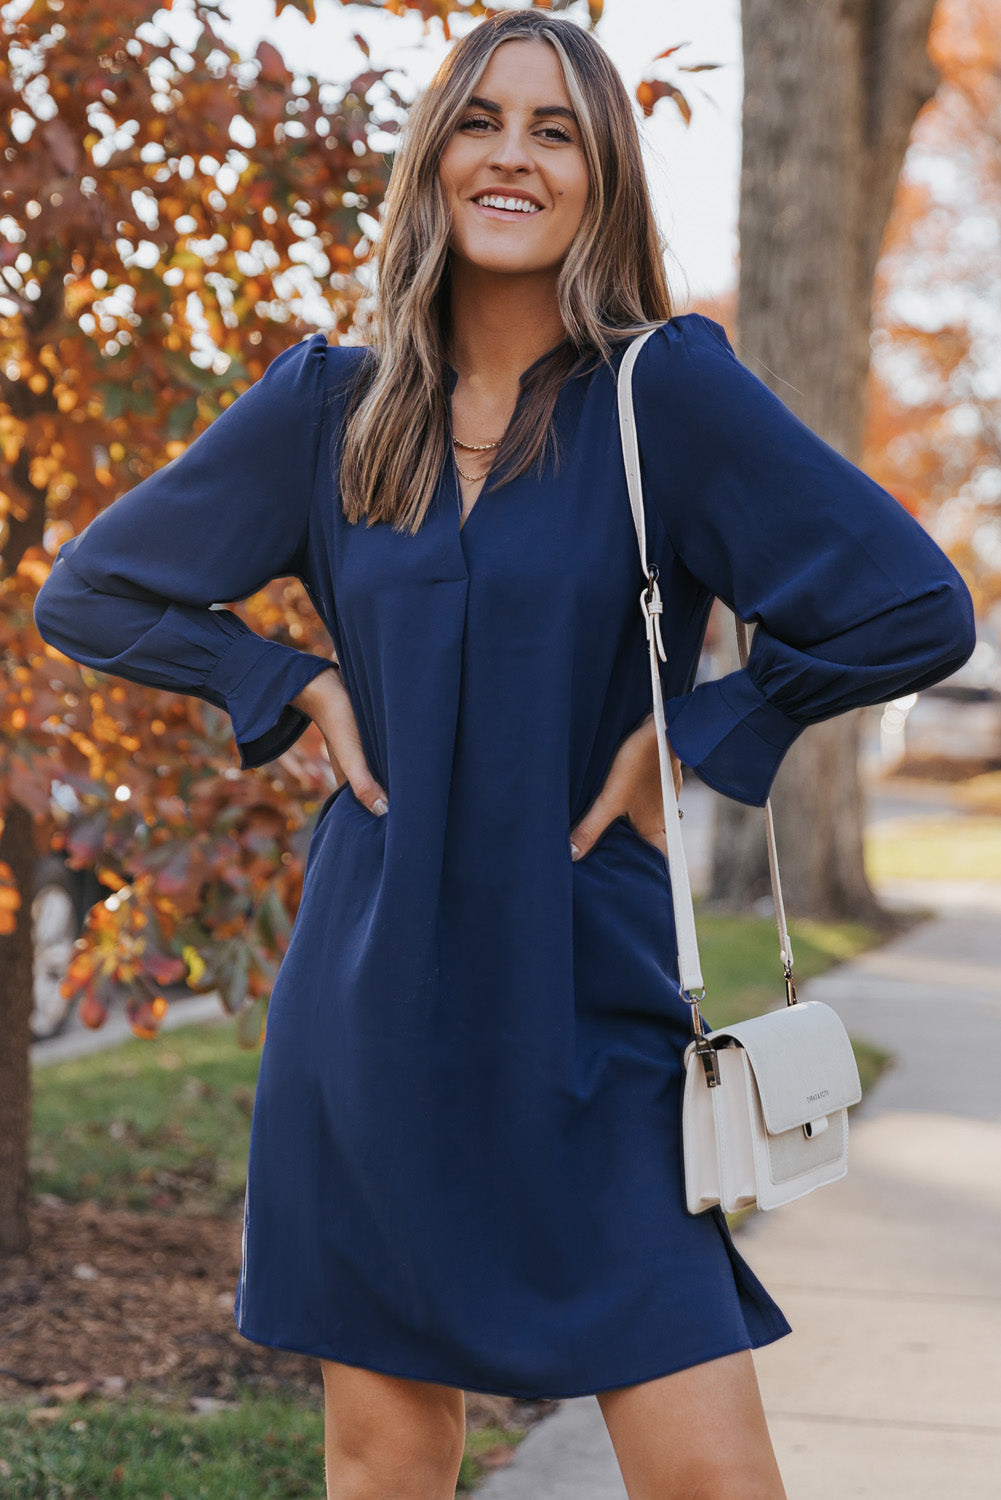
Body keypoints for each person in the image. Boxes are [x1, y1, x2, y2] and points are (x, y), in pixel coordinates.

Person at [32, 10, 976, 1500]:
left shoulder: (661, 394)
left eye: (554, 130)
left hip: (589, 1001)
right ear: (434, 160)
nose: (512, 157)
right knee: (387, 1458)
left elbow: (912, 607)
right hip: (372, 998)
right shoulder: (326, 410)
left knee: (709, 1475)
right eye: (481, 121)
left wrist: (708, 732)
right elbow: (91, 590)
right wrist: (285, 678)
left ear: (601, 173)